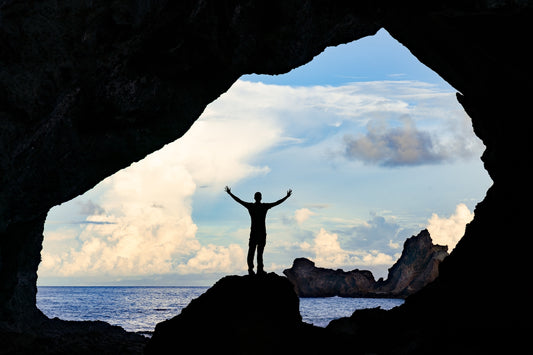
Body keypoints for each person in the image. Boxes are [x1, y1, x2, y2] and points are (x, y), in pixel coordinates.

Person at [225, 186, 292, 275]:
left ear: (255, 198)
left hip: (255, 233)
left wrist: (230, 193)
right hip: (261, 233)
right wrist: (286, 197)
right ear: (260, 198)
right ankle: (258, 270)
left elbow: (239, 200)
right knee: (258, 253)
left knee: (252, 252)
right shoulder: (264, 206)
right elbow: (277, 203)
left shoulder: (251, 206)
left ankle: (252, 270)